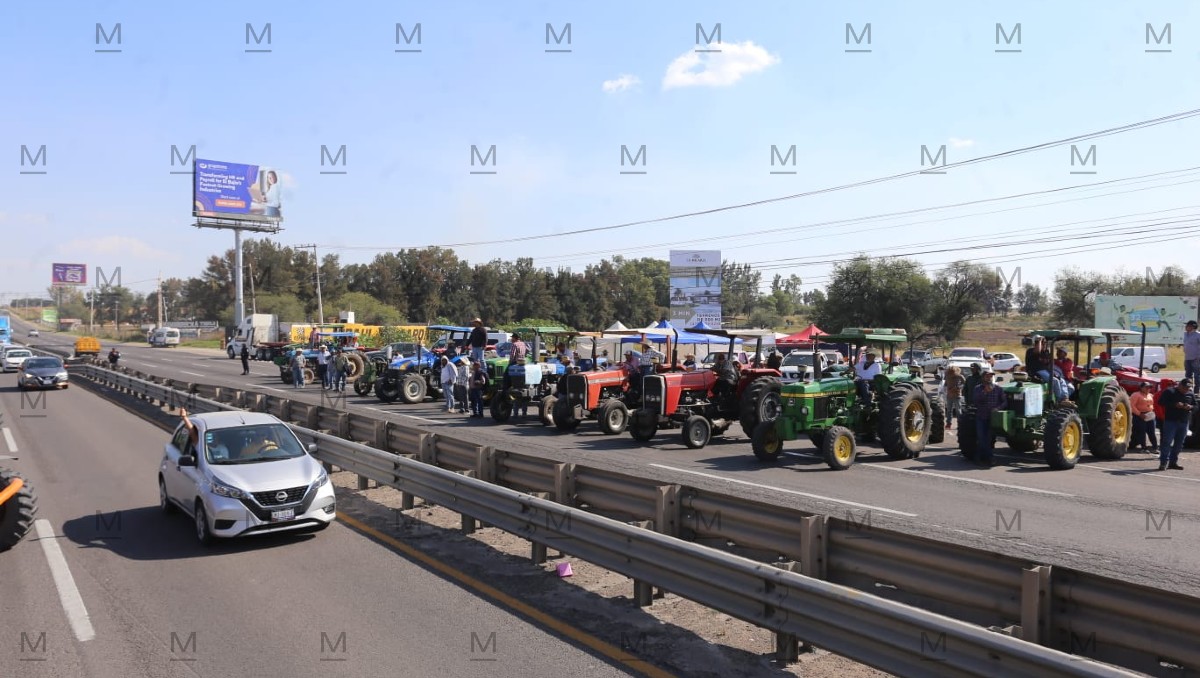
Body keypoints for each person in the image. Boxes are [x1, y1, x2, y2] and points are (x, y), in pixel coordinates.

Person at [971, 370, 1007, 467]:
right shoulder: (978, 388)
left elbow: (1004, 402)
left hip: (992, 417)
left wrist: (998, 408)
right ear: (983, 377)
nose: (989, 378)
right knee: (981, 437)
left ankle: (981, 457)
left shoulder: (998, 389)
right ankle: (989, 457)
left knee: (988, 438)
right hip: (981, 416)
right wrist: (984, 392)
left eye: (991, 376)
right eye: (987, 376)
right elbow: (975, 400)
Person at [1158, 378, 1194, 470]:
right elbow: (1161, 402)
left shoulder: (1190, 393)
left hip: (1184, 422)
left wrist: (1190, 407)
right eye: (1185, 387)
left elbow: (1195, 405)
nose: (1186, 389)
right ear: (1180, 385)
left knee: (1179, 444)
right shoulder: (1170, 391)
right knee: (1167, 442)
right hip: (1171, 421)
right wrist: (1175, 404)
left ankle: (1173, 462)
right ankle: (1163, 463)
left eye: (1188, 388)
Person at [1130, 382, 1158, 451]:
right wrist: (1139, 414)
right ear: (1141, 387)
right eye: (1146, 387)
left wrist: (1153, 412)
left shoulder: (1150, 395)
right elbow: (1132, 406)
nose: (1148, 389)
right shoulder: (1136, 395)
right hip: (1139, 415)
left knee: (1151, 432)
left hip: (1149, 415)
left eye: (1150, 387)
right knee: (1141, 432)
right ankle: (1144, 447)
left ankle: (1155, 447)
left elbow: (1153, 404)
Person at [940, 365, 965, 430]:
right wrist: (946, 391)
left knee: (958, 410)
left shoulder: (960, 376)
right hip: (949, 395)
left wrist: (957, 387)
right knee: (949, 411)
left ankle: (960, 424)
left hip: (957, 395)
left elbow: (964, 384)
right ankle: (948, 424)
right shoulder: (947, 376)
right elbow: (945, 385)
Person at [1184, 320, 1200, 394]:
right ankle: (1189, 391)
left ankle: (1196, 391)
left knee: (1197, 376)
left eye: (1187, 325)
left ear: (1193, 326)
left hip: (1196, 358)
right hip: (1187, 358)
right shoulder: (1185, 334)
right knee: (1188, 376)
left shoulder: (1198, 335)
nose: (1186, 327)